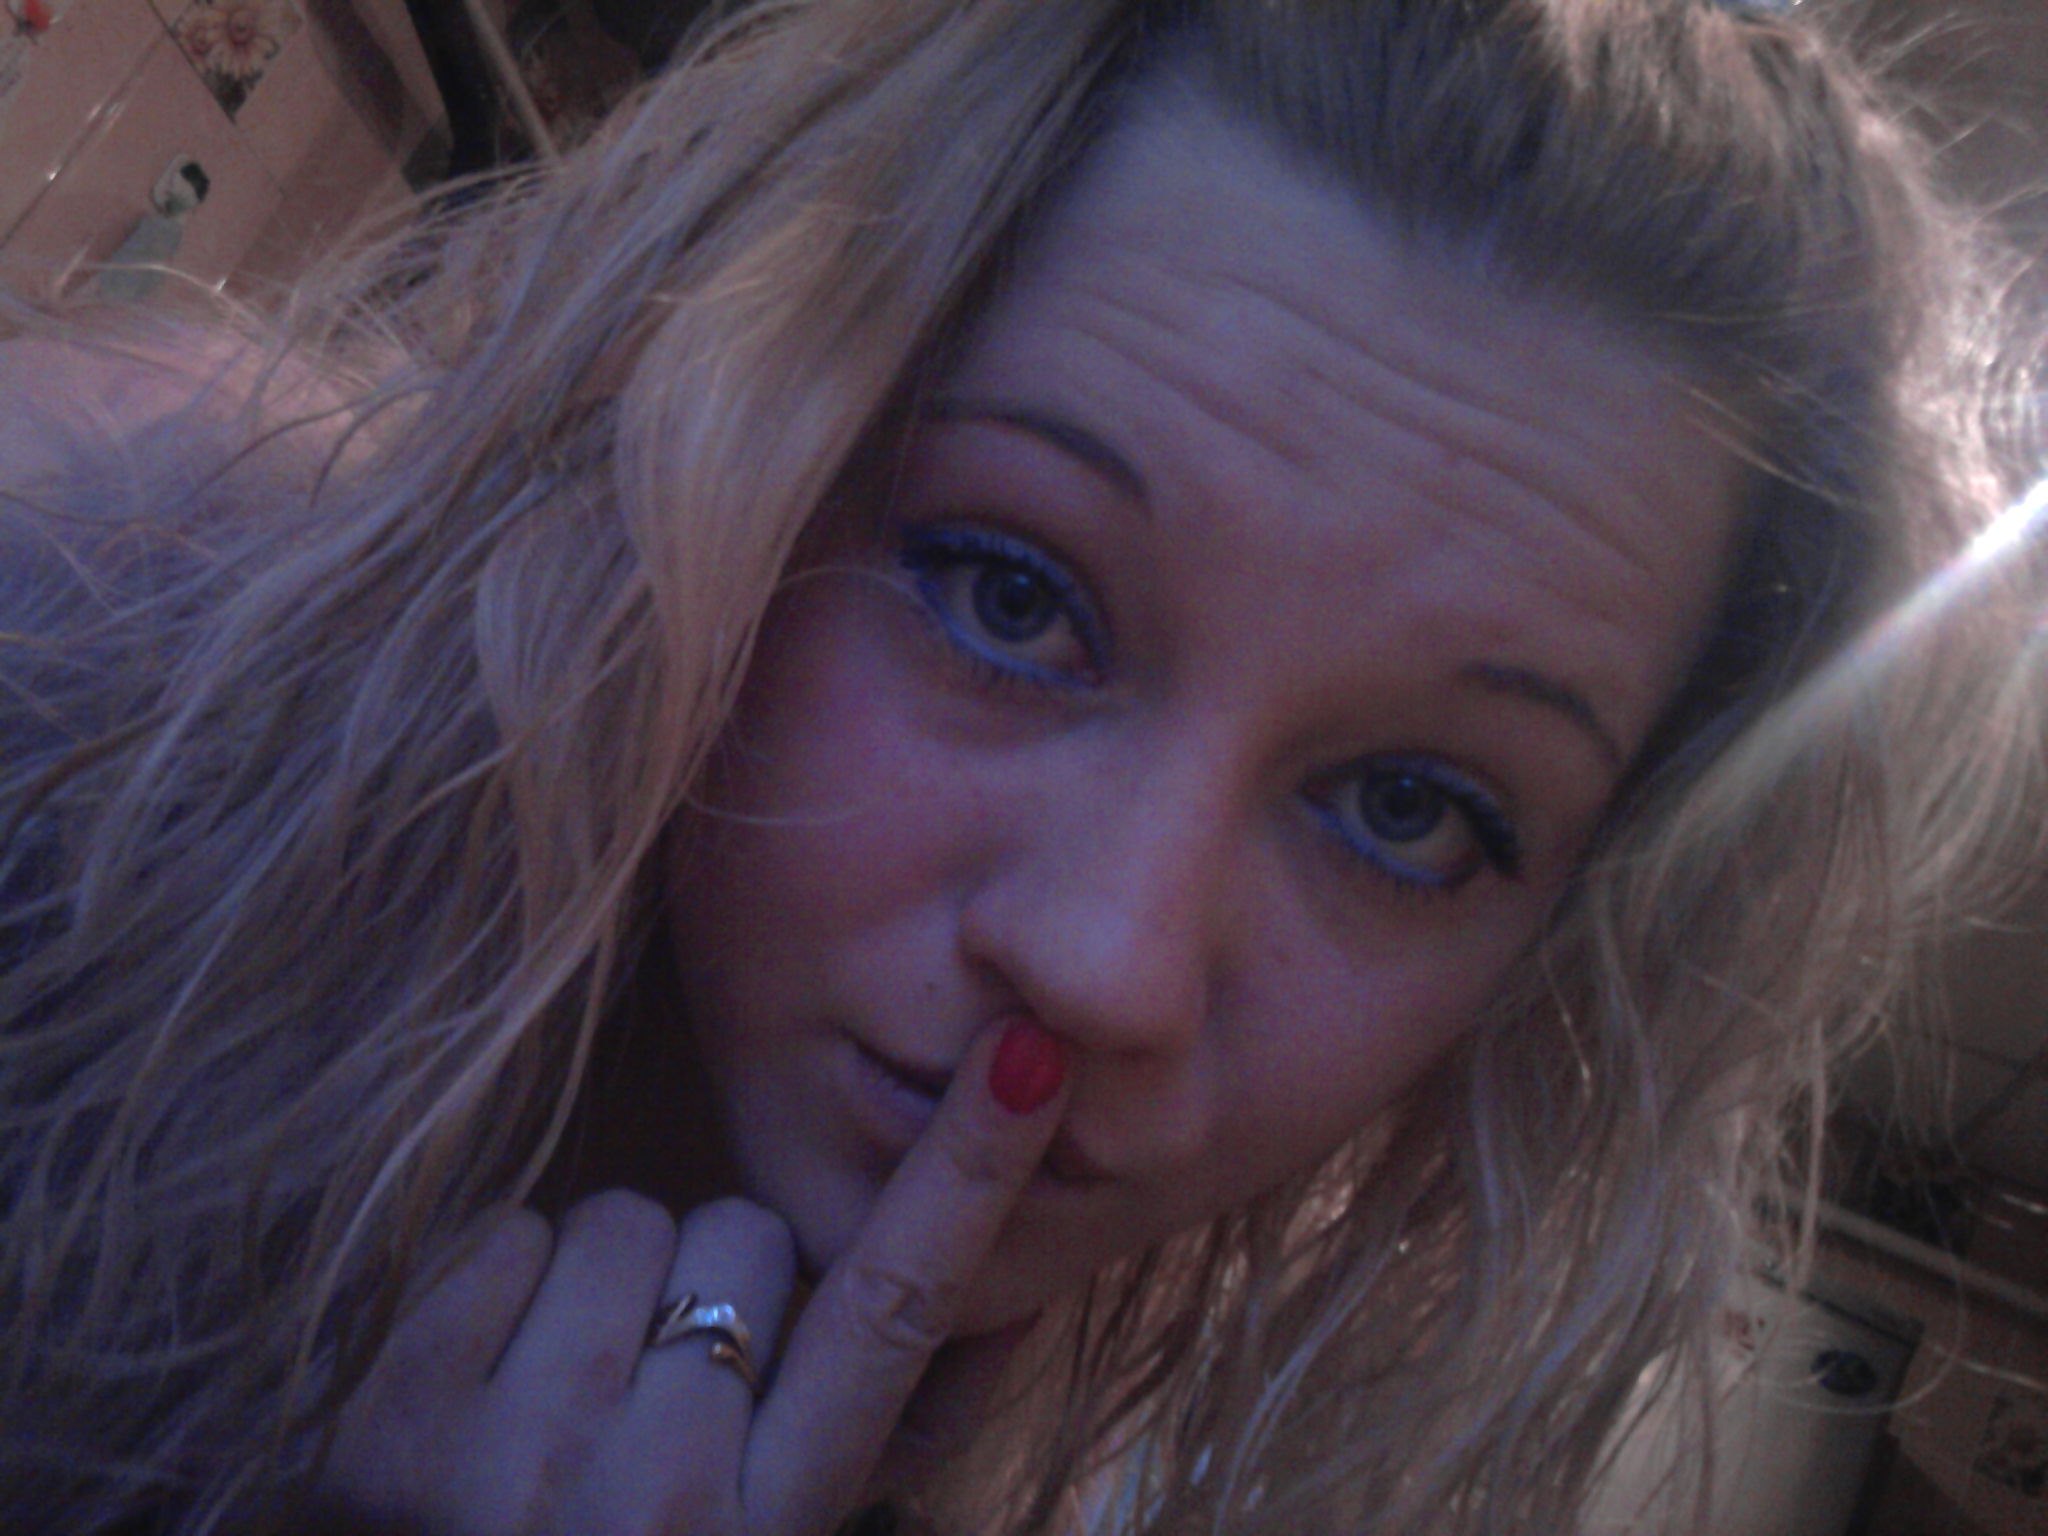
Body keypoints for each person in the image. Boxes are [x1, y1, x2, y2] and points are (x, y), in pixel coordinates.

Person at [1, 1, 2041, 1532]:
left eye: (1410, 812)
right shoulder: (66, 623)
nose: (1107, 961)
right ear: (734, 428)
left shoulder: (1026, 1440)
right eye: (1006, 593)